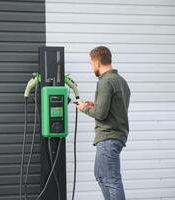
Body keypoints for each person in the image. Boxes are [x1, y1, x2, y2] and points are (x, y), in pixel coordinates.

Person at [76, 46, 131, 200]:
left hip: (108, 137)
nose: (91, 67)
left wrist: (83, 109)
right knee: (100, 176)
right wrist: (95, 104)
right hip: (115, 137)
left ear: (98, 63)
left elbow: (101, 114)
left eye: (91, 63)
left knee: (111, 180)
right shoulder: (122, 81)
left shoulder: (105, 81)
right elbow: (115, 108)